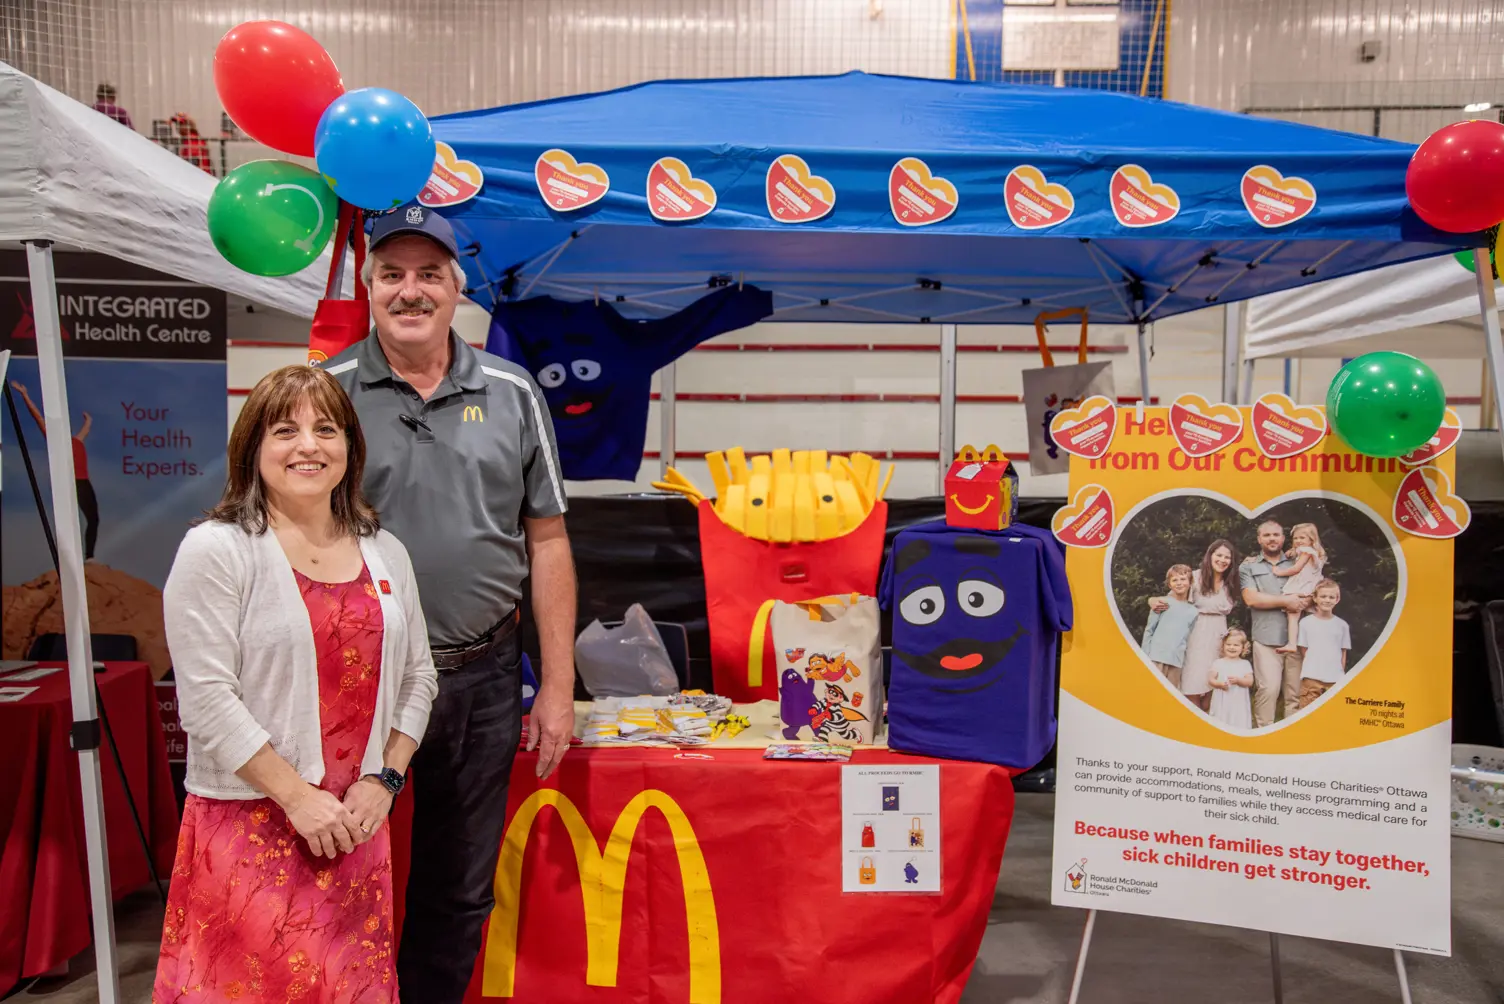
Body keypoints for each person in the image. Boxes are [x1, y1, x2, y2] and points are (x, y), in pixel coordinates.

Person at [323, 202, 577, 1003]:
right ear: (368, 288)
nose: (410, 290)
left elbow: (549, 542)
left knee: (459, 883)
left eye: (428, 274)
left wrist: (561, 688)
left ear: (456, 288)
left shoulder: (511, 391)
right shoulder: (323, 394)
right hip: (357, 681)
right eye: (392, 274)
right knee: (333, 867)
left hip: (481, 676)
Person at [155, 364, 438, 1001]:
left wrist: (384, 779)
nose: (308, 445)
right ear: (253, 449)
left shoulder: (385, 550)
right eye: (286, 430)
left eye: (326, 428)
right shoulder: (217, 550)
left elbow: (419, 676)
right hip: (252, 826)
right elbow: (205, 701)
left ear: (349, 448)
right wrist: (298, 799)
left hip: (356, 826)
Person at [11, 381, 98, 561]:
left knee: (94, 519)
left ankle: (89, 557)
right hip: (68, 483)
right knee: (70, 523)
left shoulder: (77, 441)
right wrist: (25, 394)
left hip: (83, 483)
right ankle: (68, 559)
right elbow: (38, 417)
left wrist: (88, 420)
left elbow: (86, 430)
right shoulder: (54, 439)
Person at [1239, 519, 1311, 727]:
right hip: (1265, 638)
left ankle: (1292, 739)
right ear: (1259, 539)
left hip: (1298, 639)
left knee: (1294, 693)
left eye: (1276, 535)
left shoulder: (1298, 562)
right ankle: (1263, 736)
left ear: (1283, 538)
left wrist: (1307, 599)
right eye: (1267, 535)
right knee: (1268, 690)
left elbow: (1314, 590)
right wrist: (1288, 601)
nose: (1272, 538)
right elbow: (1251, 599)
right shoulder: (1249, 566)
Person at [1159, 539, 1238, 713]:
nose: (1222, 560)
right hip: (1196, 633)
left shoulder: (1230, 582)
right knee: (1192, 681)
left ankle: (1210, 719)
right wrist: (1152, 602)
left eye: (1227, 557)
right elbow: (1170, 598)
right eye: (1219, 555)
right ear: (1210, 556)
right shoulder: (1195, 577)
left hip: (1219, 634)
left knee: (1214, 680)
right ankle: (1196, 720)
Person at [1140, 563, 1198, 693]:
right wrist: (1145, 656)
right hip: (1156, 658)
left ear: (1190, 582)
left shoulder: (1193, 611)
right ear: (1169, 584)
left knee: (1170, 695)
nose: (1179, 583)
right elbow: (1149, 630)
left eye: (1183, 579)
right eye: (1174, 580)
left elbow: (1187, 636)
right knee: (1151, 692)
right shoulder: (1161, 602)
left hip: (1176, 661)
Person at [1296, 579, 1352, 710]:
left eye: (1331, 597)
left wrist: (1340, 675)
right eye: (1323, 596)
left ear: (1337, 599)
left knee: (1332, 714)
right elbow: (1304, 650)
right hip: (1311, 677)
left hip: (1334, 679)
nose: (1327, 600)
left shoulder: (1342, 625)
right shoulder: (1305, 623)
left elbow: (1343, 653)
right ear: (1315, 598)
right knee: (1307, 714)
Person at [1272, 522, 1326, 654]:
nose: (1298, 541)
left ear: (1311, 539)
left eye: (1302, 538)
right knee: (1312, 617)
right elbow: (1297, 553)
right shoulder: (1313, 552)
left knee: (1293, 614)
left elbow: (1296, 569)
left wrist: (1279, 572)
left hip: (1302, 587)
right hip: (1311, 589)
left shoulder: (1307, 552)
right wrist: (1294, 550)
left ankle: (1292, 643)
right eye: (1295, 538)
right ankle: (1312, 644)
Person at [1206, 628, 1255, 730]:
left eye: (1236, 645)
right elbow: (1211, 679)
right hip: (1222, 700)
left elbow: (1250, 681)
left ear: (1243, 648)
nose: (1232, 647)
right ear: (1223, 646)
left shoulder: (1244, 664)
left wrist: (1239, 681)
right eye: (1228, 644)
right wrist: (1219, 684)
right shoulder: (1218, 663)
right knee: (1220, 720)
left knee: (1238, 720)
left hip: (1238, 701)